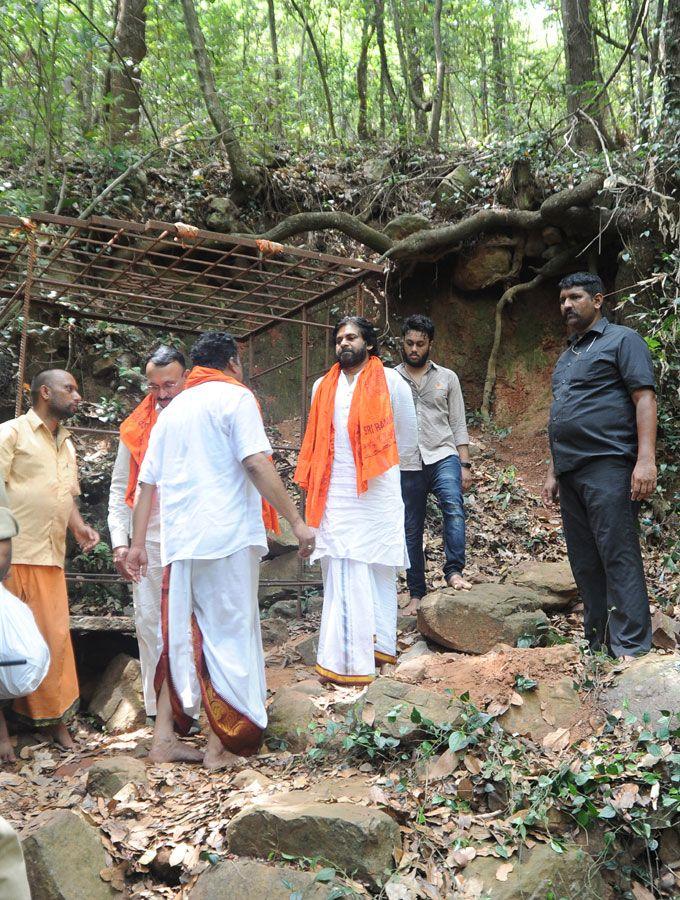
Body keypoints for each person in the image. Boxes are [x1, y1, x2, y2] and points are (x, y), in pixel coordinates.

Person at [126, 332, 315, 769]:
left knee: (183, 638)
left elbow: (146, 485)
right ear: (233, 362)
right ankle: (220, 745)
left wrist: (139, 546)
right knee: (228, 637)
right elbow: (255, 462)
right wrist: (298, 521)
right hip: (225, 539)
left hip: (180, 543)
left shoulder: (172, 411)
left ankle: (163, 740)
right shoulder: (236, 398)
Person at [295, 316, 418, 686]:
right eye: (339, 339)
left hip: (379, 488)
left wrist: (382, 469)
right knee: (344, 564)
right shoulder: (322, 386)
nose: (344, 343)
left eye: (351, 337)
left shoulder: (392, 381)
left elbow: (409, 436)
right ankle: (347, 661)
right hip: (335, 490)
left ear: (369, 342)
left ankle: (381, 650)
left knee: (378, 565)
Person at [542, 272, 657, 659]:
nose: (567, 305)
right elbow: (561, 414)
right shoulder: (567, 356)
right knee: (585, 560)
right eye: (562, 300)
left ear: (598, 299)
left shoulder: (623, 340)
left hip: (609, 463)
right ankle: (599, 645)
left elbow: (643, 398)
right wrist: (553, 470)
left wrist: (645, 460)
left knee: (617, 552)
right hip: (571, 471)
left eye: (575, 297)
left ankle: (631, 648)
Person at [0, 370, 99, 749]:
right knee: (4, 644)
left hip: (49, 557)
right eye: (69, 389)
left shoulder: (67, 443)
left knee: (53, 643)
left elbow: (64, 494)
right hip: (9, 556)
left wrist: (78, 527)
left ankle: (55, 724)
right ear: (45, 392)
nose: (77, 396)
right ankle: (3, 732)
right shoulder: (11, 433)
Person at [108, 345, 187, 717]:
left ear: (187, 376)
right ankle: (159, 713)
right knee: (150, 621)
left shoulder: (202, 413)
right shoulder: (136, 426)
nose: (163, 394)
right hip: (148, 540)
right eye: (155, 387)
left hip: (194, 535)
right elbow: (120, 487)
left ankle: (196, 705)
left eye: (169, 384)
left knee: (192, 621)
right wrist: (120, 544)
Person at [396, 314, 472, 615]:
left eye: (420, 344)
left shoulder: (447, 377)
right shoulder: (391, 378)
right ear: (403, 342)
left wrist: (465, 463)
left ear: (430, 345)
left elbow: (458, 422)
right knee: (410, 527)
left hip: (443, 454)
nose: (414, 349)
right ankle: (416, 593)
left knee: (453, 508)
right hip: (406, 460)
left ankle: (454, 571)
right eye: (409, 343)